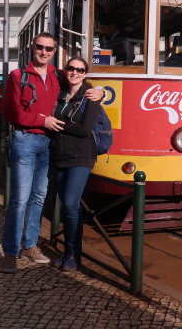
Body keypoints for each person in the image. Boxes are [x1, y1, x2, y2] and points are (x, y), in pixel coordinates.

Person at [0, 32, 103, 274]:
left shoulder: (59, 76)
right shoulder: (18, 76)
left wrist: (102, 91)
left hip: (49, 144)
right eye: (40, 47)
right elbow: (11, 113)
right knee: (20, 199)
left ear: (54, 52)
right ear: (32, 48)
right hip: (25, 139)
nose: (44, 52)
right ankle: (11, 251)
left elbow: (82, 85)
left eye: (49, 49)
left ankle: (30, 246)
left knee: (38, 197)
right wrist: (41, 120)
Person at [49, 57, 101, 272]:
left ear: (85, 74)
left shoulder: (92, 96)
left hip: (81, 158)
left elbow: (84, 129)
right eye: (71, 68)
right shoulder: (59, 93)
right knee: (68, 207)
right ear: (65, 70)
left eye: (80, 70)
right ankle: (68, 250)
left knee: (71, 204)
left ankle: (74, 254)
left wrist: (57, 125)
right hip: (59, 156)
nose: (75, 72)